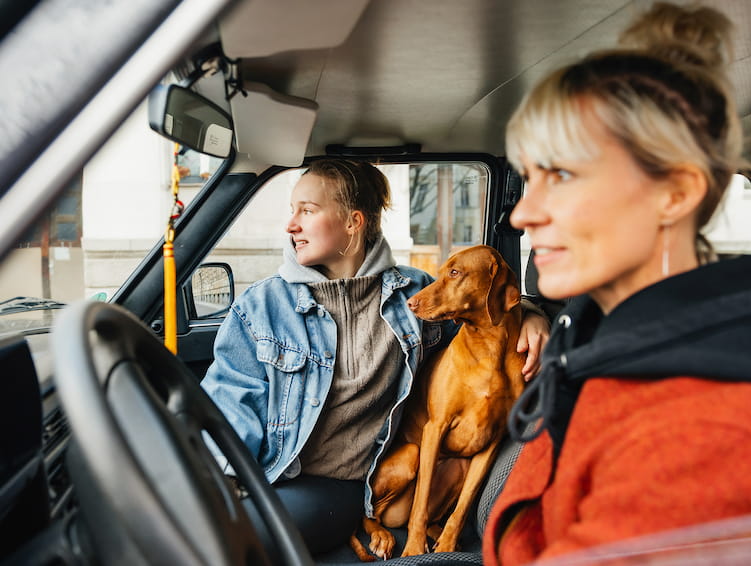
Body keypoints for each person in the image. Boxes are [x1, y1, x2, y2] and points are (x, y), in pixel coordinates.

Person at [483, 3, 751, 565]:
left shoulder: (712, 436)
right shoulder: (595, 348)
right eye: (528, 179)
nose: (522, 214)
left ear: (675, 193)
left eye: (561, 175)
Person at [201, 158, 549, 555]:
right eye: (291, 210)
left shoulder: (413, 297)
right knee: (205, 528)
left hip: (353, 484)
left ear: (354, 222)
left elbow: (483, 315)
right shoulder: (262, 306)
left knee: (237, 543)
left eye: (307, 211)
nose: (290, 225)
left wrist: (532, 317)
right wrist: (219, 487)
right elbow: (228, 405)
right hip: (273, 474)